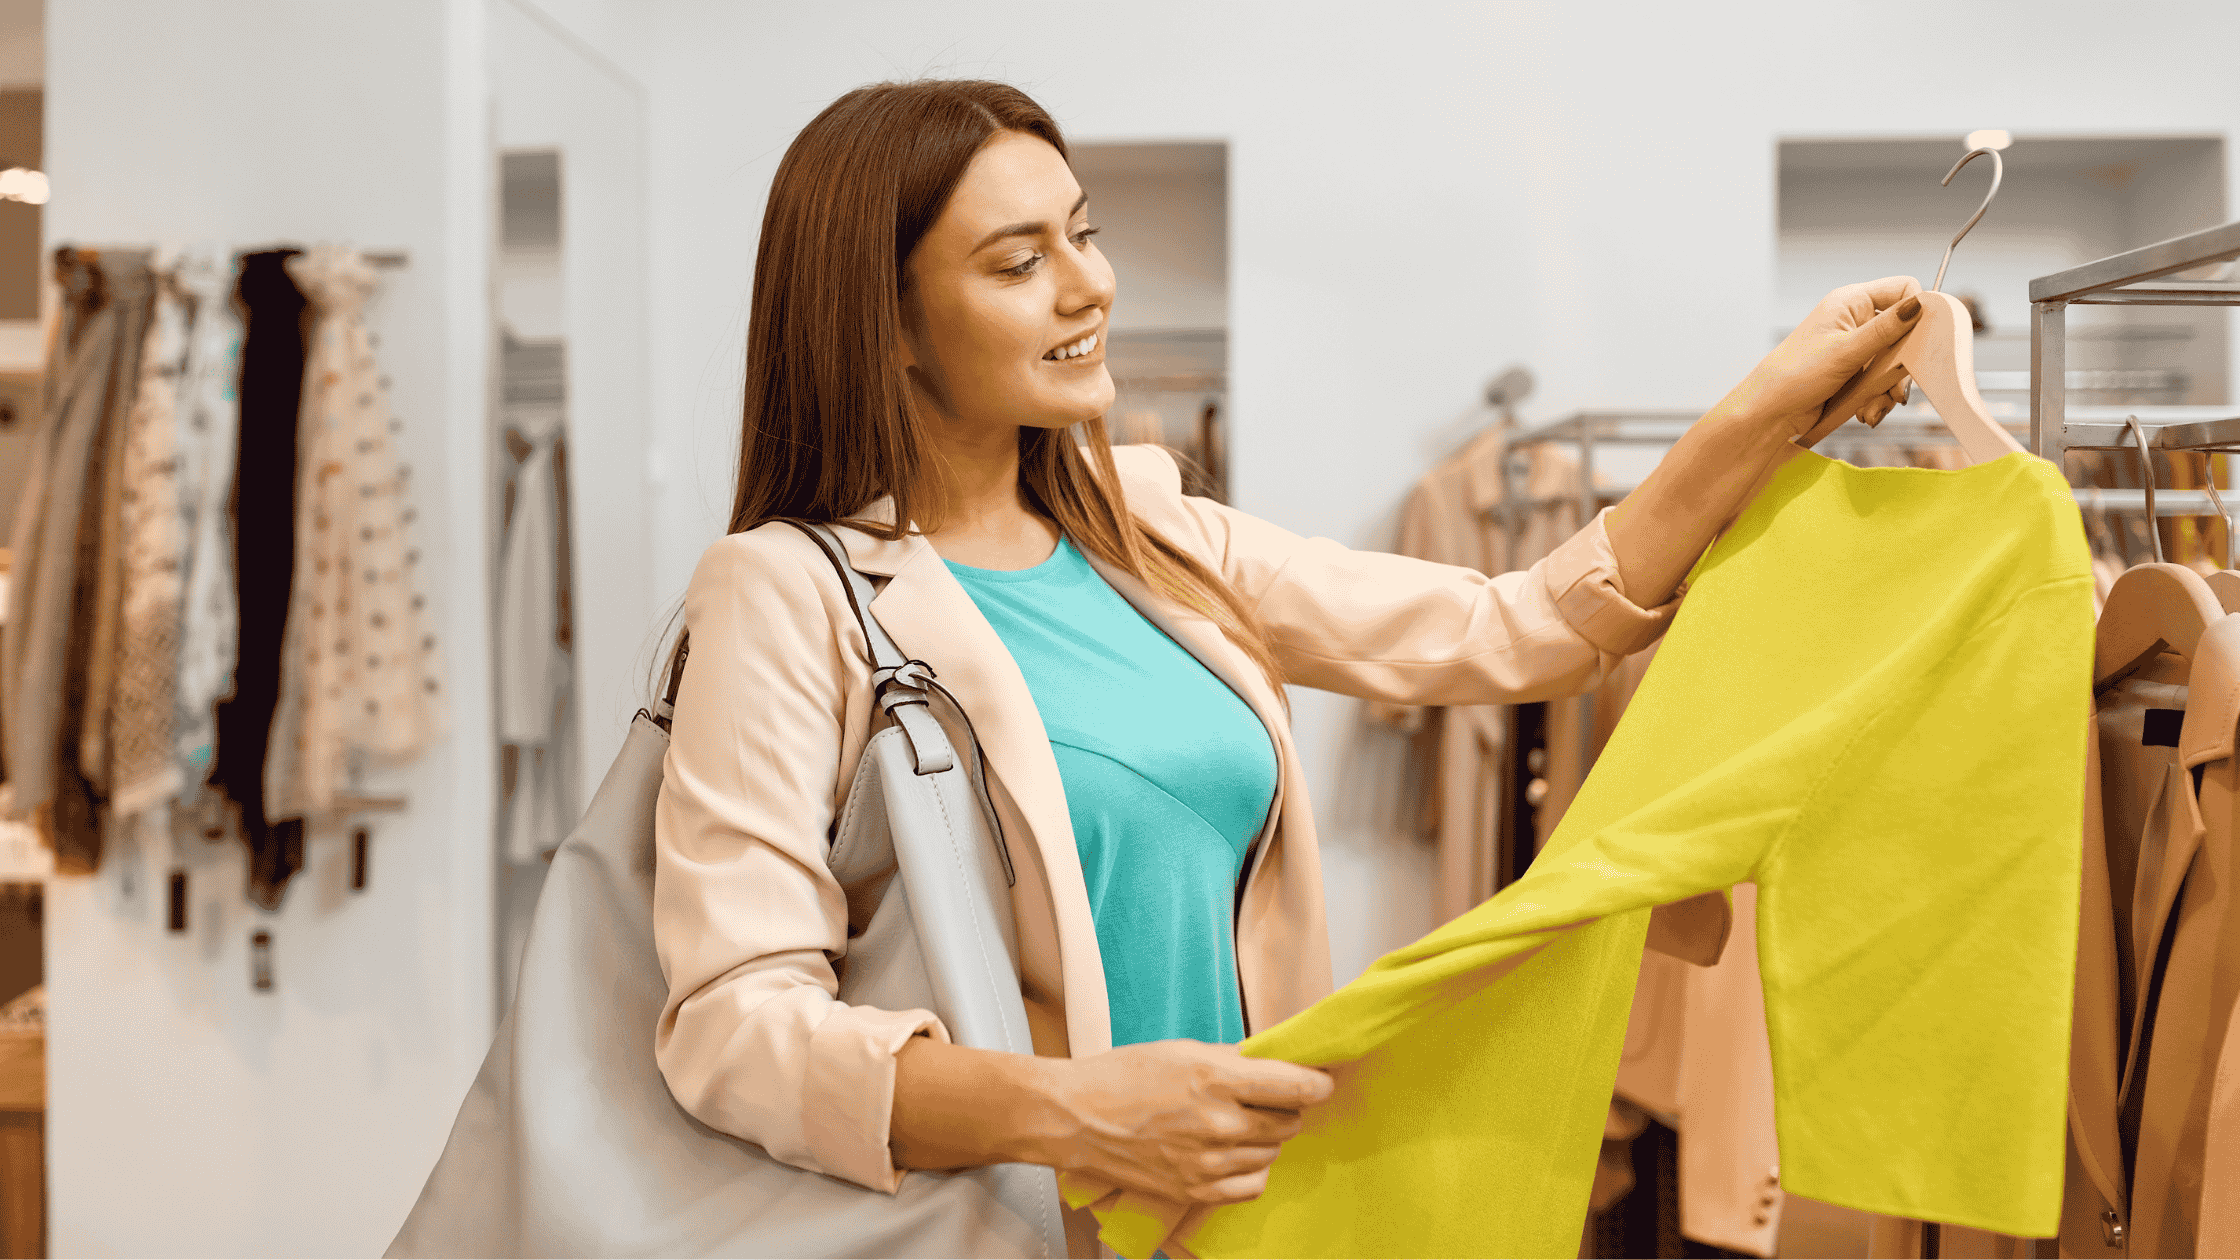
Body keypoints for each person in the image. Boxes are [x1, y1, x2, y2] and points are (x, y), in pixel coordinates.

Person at [653, 77, 1921, 1252]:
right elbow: (734, 1026)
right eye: (1017, 262)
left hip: (1238, 1215)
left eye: (1081, 236)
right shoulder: (784, 591)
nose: (1087, 286)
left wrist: (1763, 409)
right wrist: (1070, 1113)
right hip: (1010, 1220)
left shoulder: (1148, 531)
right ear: (889, 329)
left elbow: (1513, 624)